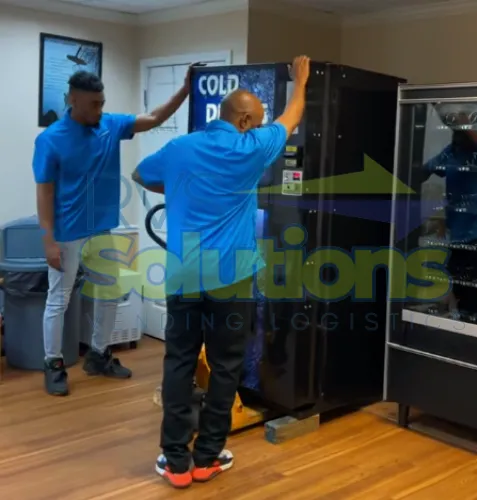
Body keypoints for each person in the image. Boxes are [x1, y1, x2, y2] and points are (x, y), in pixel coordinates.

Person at [131, 55, 310, 489]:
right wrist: (301, 81)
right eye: (256, 120)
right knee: (226, 365)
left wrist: (180, 188)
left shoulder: (181, 148)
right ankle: (207, 457)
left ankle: (176, 461)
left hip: (185, 273)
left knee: (179, 361)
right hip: (232, 277)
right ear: (245, 120)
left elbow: (140, 173)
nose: (259, 126)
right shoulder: (251, 148)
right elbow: (291, 117)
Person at [32, 66, 194, 397]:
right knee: (59, 300)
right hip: (67, 233)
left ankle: (98, 355)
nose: (100, 109)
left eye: (102, 103)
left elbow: (154, 118)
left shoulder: (110, 125)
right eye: (94, 104)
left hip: (103, 229)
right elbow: (44, 193)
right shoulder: (50, 140)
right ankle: (53, 364)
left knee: (108, 293)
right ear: (73, 100)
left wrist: (185, 90)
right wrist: (48, 240)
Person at [423, 113, 477, 323]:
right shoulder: (453, 150)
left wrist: (447, 110)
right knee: (460, 294)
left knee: (472, 301)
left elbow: (468, 132)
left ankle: (475, 330)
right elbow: (424, 170)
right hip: (459, 237)